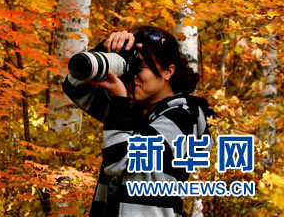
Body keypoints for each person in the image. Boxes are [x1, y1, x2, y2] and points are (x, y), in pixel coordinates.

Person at [62, 26, 214, 217]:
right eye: (130, 66)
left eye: (140, 66)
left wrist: (119, 100)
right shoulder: (133, 110)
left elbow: (118, 162)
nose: (132, 75)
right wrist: (108, 48)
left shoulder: (184, 116)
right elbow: (74, 85)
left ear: (168, 71)